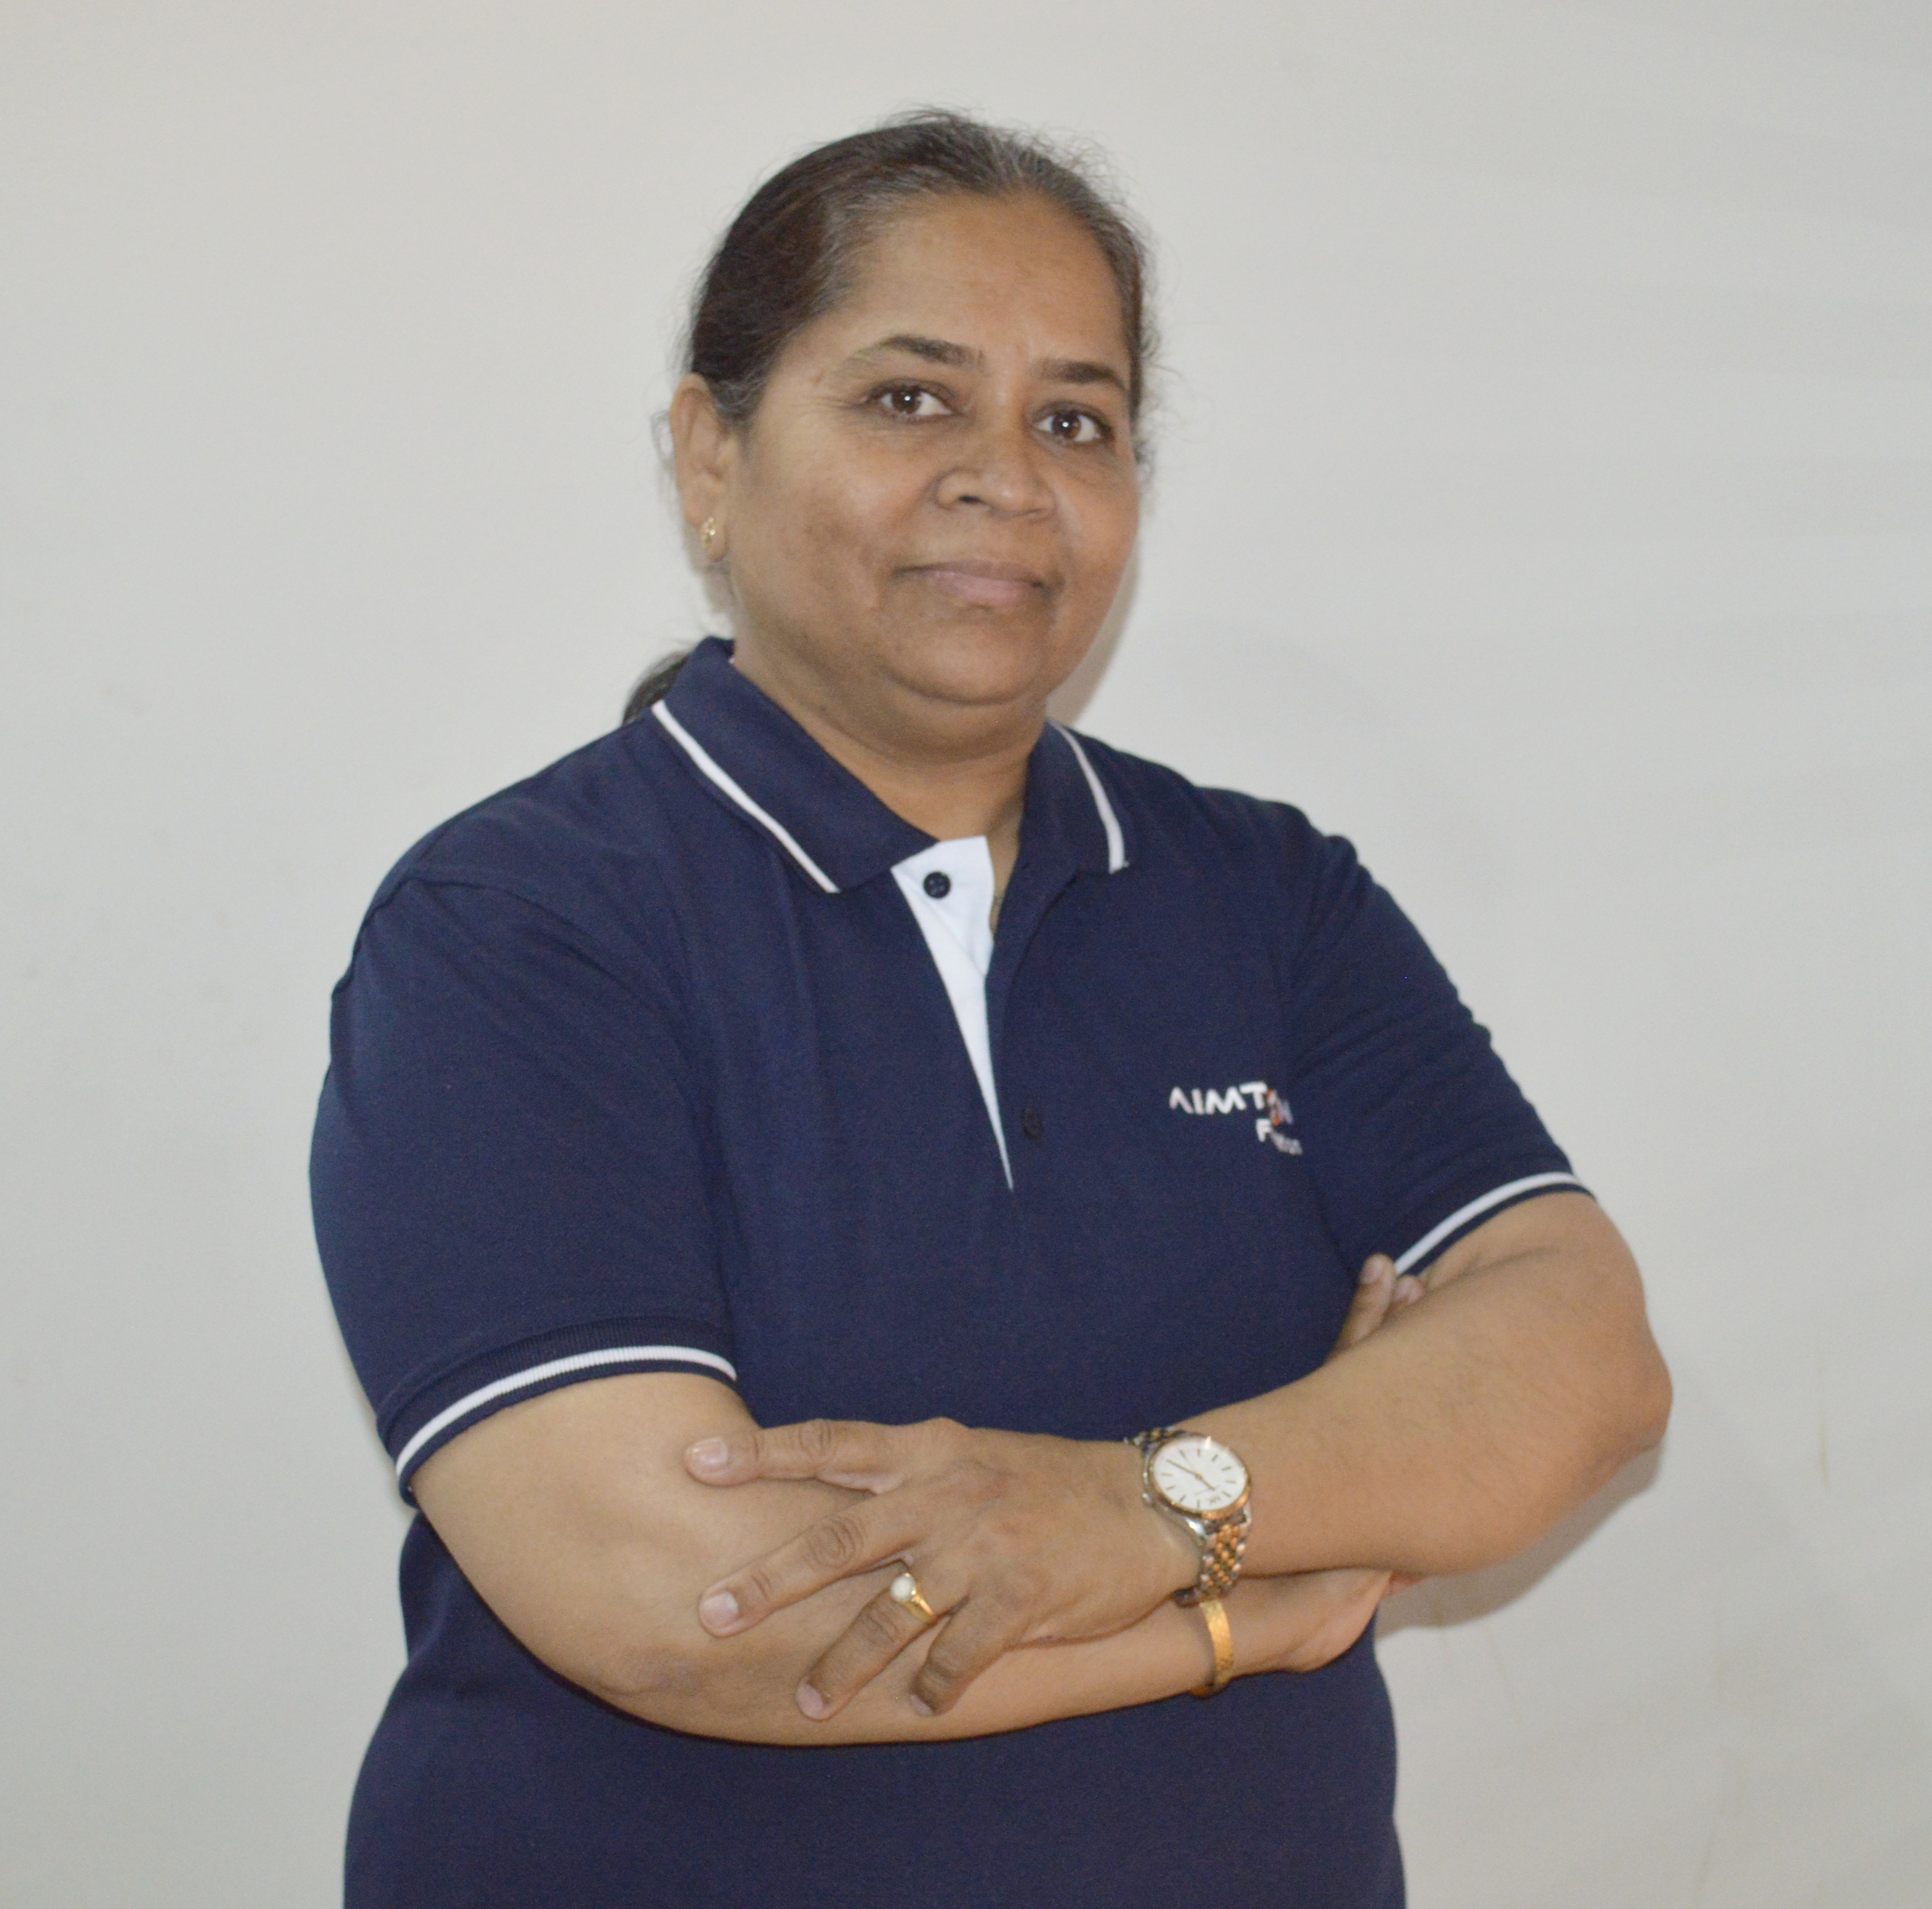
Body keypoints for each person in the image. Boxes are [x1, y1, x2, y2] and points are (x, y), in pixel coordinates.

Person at [310, 110, 1670, 1909]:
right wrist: (1244, 1611)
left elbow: (1581, 1364)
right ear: (711, 453)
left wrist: (1139, 1505)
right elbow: (678, 1601)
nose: (1007, 481)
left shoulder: (1267, 896)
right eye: (910, 400)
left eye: (1075, 422)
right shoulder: (521, 928)